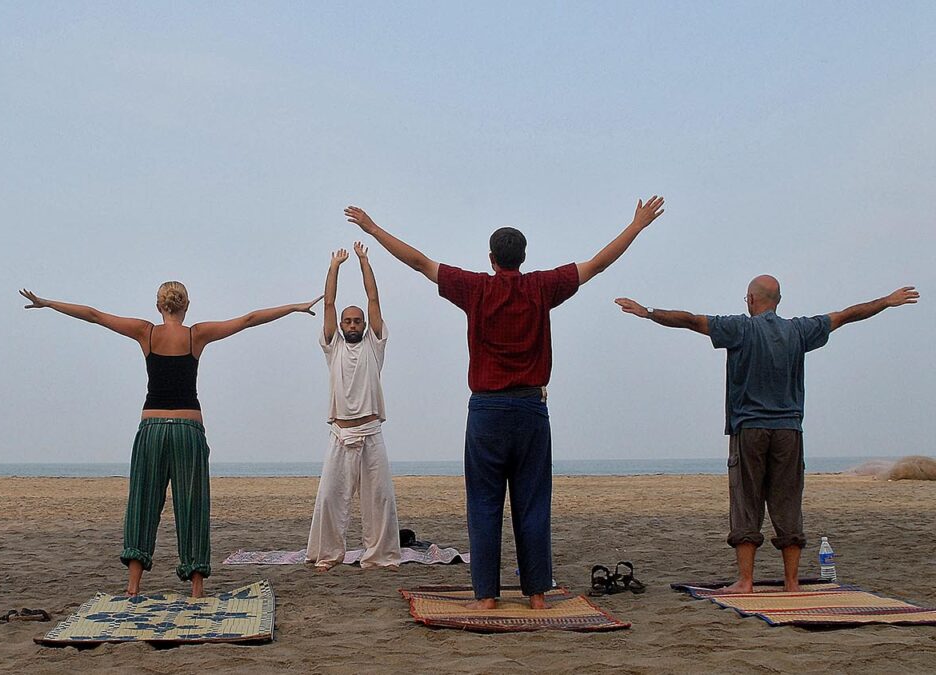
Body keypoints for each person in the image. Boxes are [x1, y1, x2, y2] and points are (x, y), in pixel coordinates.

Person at [346, 197, 665, 609]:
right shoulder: (542, 286)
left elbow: (420, 263)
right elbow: (597, 264)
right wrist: (636, 225)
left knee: (483, 505)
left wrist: (373, 228)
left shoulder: (477, 288)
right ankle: (535, 594)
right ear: (523, 258)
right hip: (531, 409)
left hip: (487, 411)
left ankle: (487, 597)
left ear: (492, 258)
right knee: (532, 504)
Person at [615, 277, 919, 592]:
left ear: (749, 299)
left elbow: (691, 321)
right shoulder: (799, 330)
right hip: (789, 430)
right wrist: (885, 301)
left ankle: (746, 581)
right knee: (787, 500)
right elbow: (845, 315)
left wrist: (648, 312)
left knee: (746, 499)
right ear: (779, 299)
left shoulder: (740, 328)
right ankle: (791, 582)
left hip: (750, 428)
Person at [20, 283, 319, 597]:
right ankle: (196, 588)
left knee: (143, 503)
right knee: (193, 504)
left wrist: (48, 303)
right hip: (187, 429)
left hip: (152, 428)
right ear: (186, 305)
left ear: (158, 306)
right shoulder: (196, 335)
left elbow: (94, 315)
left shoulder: (145, 332)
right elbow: (249, 319)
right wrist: (295, 307)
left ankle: (133, 587)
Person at [306, 243, 402, 571]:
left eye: (355, 321)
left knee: (380, 500)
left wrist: (363, 261)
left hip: (371, 432)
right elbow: (329, 303)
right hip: (340, 434)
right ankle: (329, 554)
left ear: (363, 325)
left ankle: (380, 555)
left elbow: (374, 299)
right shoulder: (332, 347)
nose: (350, 325)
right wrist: (334, 266)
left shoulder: (375, 346)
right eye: (347, 321)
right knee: (330, 498)